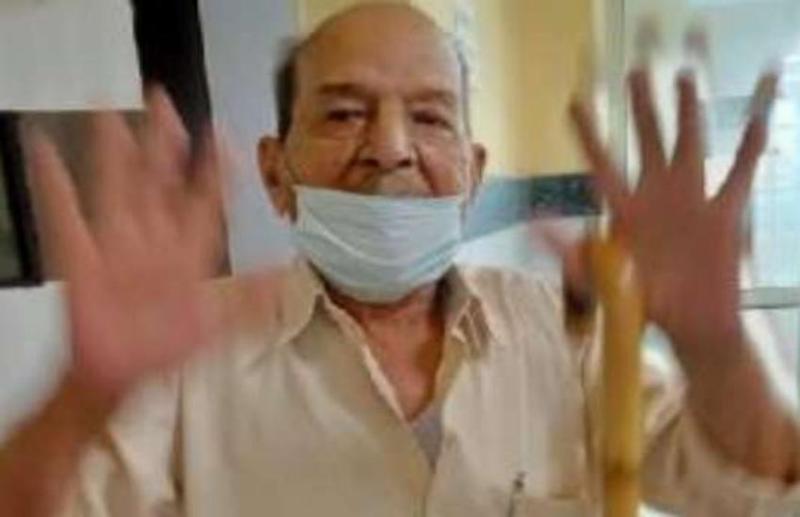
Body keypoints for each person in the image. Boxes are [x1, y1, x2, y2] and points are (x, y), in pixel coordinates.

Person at [0, 3, 797, 516]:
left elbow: (760, 485)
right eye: (344, 113)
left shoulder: (567, 330)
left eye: (430, 117)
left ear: (473, 174)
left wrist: (720, 347)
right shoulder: (189, 354)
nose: (389, 147)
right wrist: (82, 396)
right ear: (276, 173)